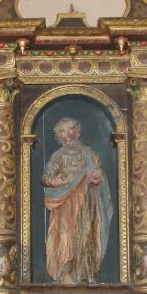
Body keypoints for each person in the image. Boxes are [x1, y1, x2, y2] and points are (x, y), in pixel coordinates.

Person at [42, 117, 113, 284]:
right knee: (66, 236)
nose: (67, 135)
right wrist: (53, 181)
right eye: (62, 132)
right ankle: (65, 273)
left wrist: (97, 176)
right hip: (65, 203)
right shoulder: (58, 156)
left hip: (86, 203)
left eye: (70, 129)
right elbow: (46, 177)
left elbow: (97, 173)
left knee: (86, 235)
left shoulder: (88, 153)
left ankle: (86, 272)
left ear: (78, 131)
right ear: (58, 136)